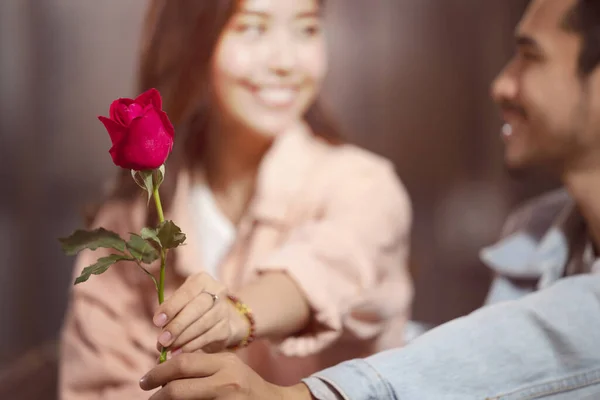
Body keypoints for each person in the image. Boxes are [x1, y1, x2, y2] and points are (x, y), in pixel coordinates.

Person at [137, 0, 600, 398]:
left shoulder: (364, 185)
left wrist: (251, 331)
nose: (501, 85)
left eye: (529, 56)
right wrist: (400, 342)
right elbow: (486, 358)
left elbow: (333, 263)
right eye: (251, 28)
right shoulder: (532, 237)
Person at [59, 0, 414, 398]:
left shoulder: (363, 185)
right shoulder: (128, 224)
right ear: (190, 42)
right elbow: (100, 385)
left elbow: (325, 269)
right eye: (252, 28)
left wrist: (235, 313)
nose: (285, 61)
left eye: (307, 29)